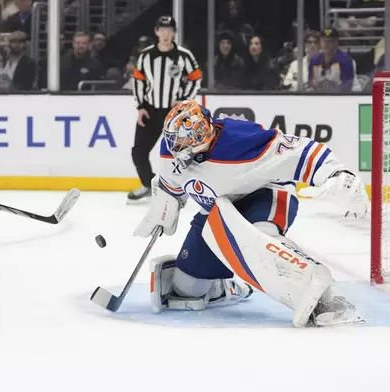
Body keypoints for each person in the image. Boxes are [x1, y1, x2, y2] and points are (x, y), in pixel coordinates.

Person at [135, 100, 368, 327]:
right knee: (187, 289)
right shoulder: (172, 148)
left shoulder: (241, 141)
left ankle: (327, 297)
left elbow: (300, 151)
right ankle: (226, 288)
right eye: (173, 139)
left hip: (266, 193)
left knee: (260, 240)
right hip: (219, 209)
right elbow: (171, 183)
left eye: (182, 140)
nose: (174, 146)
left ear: (199, 135)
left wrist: (336, 173)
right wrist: (164, 205)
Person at [128, 15, 202, 204]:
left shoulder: (183, 55)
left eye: (169, 30)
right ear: (156, 31)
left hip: (173, 114)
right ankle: (149, 184)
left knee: (182, 154)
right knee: (138, 152)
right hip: (151, 111)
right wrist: (141, 106)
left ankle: (187, 190)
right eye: (162, 29)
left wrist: (184, 100)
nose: (166, 33)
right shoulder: (146, 56)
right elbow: (138, 81)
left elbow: (196, 76)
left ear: (174, 32)